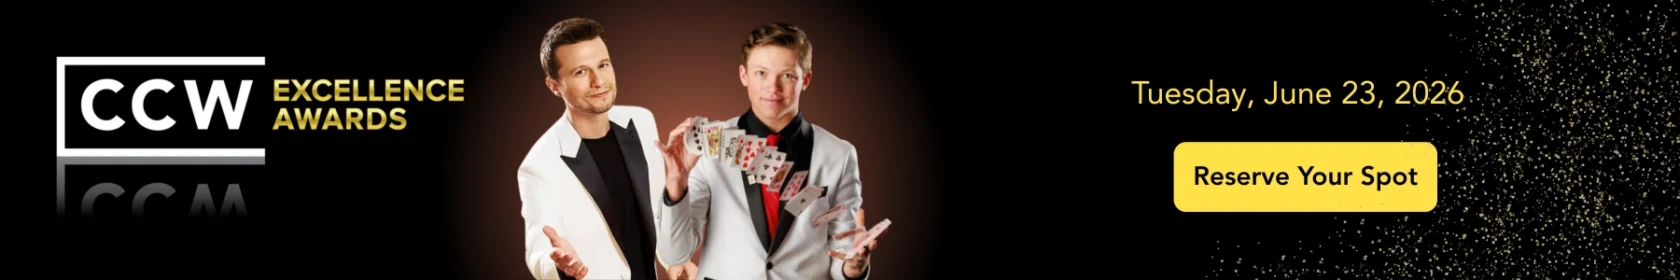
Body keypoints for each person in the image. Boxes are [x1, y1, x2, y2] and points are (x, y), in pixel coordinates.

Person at [655, 22, 878, 280]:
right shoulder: (707, 146)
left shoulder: (839, 155)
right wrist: (676, 181)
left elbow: (842, 252)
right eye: (761, 73)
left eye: (787, 75)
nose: (773, 87)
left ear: (805, 79)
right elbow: (675, 255)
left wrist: (852, 267)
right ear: (743, 75)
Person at [518, 17, 689, 280]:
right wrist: (561, 266)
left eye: (603, 65)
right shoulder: (539, 165)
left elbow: (655, 212)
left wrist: (675, 262)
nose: (599, 81)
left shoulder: (642, 121)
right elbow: (538, 253)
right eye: (581, 72)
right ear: (554, 86)